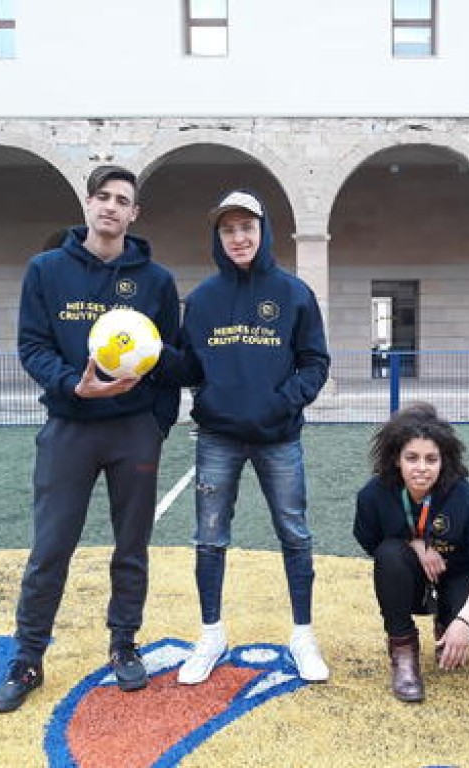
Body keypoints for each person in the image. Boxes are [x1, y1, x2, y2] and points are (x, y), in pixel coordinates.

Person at [0, 165, 182, 713]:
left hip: (133, 431)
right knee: (51, 548)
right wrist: (72, 385)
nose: (111, 206)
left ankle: (124, 644)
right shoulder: (46, 270)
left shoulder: (156, 281)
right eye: (103, 196)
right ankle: (28, 658)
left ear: (134, 213)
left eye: (122, 200)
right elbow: (32, 346)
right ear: (88, 204)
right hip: (69, 427)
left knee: (131, 547)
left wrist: (158, 423)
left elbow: (171, 359)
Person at [174, 189, 331, 685]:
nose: (238, 237)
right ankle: (211, 635)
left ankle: (303, 635)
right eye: (228, 229)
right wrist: (149, 352)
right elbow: (189, 366)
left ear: (263, 231)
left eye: (247, 227)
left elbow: (315, 362)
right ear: (217, 237)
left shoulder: (294, 293)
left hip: (278, 437)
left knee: (294, 534)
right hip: (217, 437)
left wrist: (281, 402)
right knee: (209, 538)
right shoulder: (202, 300)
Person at [353, 402, 469, 703]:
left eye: (431, 459)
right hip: (411, 578)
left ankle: (447, 622)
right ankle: (403, 651)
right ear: (396, 459)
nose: (421, 468)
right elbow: (371, 542)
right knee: (389, 555)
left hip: (455, 575)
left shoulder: (463, 495)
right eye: (412, 458)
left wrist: (464, 621)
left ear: (443, 461)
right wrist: (413, 543)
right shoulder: (373, 495)